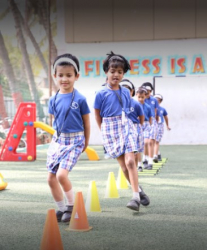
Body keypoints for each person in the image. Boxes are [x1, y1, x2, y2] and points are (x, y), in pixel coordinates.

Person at [94, 51, 149, 211]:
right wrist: (102, 131)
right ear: (106, 72)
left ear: (123, 73)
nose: (116, 75)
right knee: (124, 167)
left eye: (119, 72)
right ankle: (139, 190)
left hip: (126, 126)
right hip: (110, 129)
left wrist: (136, 128)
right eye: (113, 71)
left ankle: (135, 198)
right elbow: (98, 115)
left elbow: (129, 110)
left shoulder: (125, 92)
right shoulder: (100, 93)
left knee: (131, 161)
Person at [46, 53, 90, 223]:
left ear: (76, 76)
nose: (64, 79)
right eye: (61, 75)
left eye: (69, 75)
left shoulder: (80, 99)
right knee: (50, 178)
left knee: (61, 176)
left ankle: (72, 207)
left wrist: (85, 142)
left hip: (75, 141)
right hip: (58, 141)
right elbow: (54, 121)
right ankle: (62, 209)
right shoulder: (53, 99)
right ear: (54, 76)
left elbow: (86, 123)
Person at [141, 82, 159, 169]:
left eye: (149, 91)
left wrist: (154, 122)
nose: (147, 93)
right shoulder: (141, 99)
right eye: (146, 91)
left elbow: (155, 112)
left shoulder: (154, 100)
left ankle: (150, 162)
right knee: (145, 142)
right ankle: (145, 159)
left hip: (152, 122)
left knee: (151, 142)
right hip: (143, 122)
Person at [136, 87, 152, 171]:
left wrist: (150, 125)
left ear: (145, 96)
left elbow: (150, 117)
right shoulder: (134, 105)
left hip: (146, 125)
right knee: (138, 146)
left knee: (146, 142)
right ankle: (139, 164)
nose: (140, 99)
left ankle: (145, 159)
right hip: (138, 125)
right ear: (136, 96)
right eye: (139, 97)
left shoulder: (148, 107)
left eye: (142, 97)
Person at [154, 94, 171, 161]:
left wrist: (167, 126)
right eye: (155, 100)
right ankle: (158, 153)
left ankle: (155, 156)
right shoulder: (150, 108)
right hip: (152, 125)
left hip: (160, 125)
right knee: (152, 141)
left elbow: (166, 118)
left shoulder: (162, 109)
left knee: (157, 140)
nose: (157, 101)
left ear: (160, 101)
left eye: (158, 100)